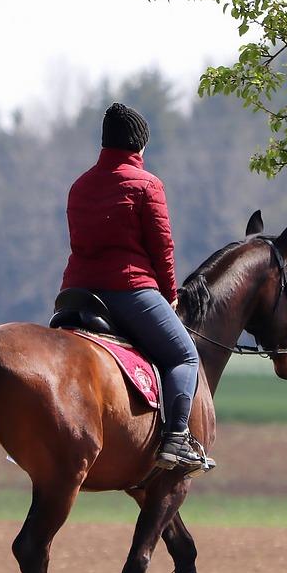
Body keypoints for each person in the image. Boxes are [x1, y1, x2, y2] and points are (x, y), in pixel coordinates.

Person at [60, 103, 206, 471]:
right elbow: (162, 248)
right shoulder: (147, 184)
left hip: (76, 292)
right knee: (184, 356)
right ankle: (175, 439)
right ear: (139, 146)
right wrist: (170, 294)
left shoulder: (79, 185)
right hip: (128, 290)